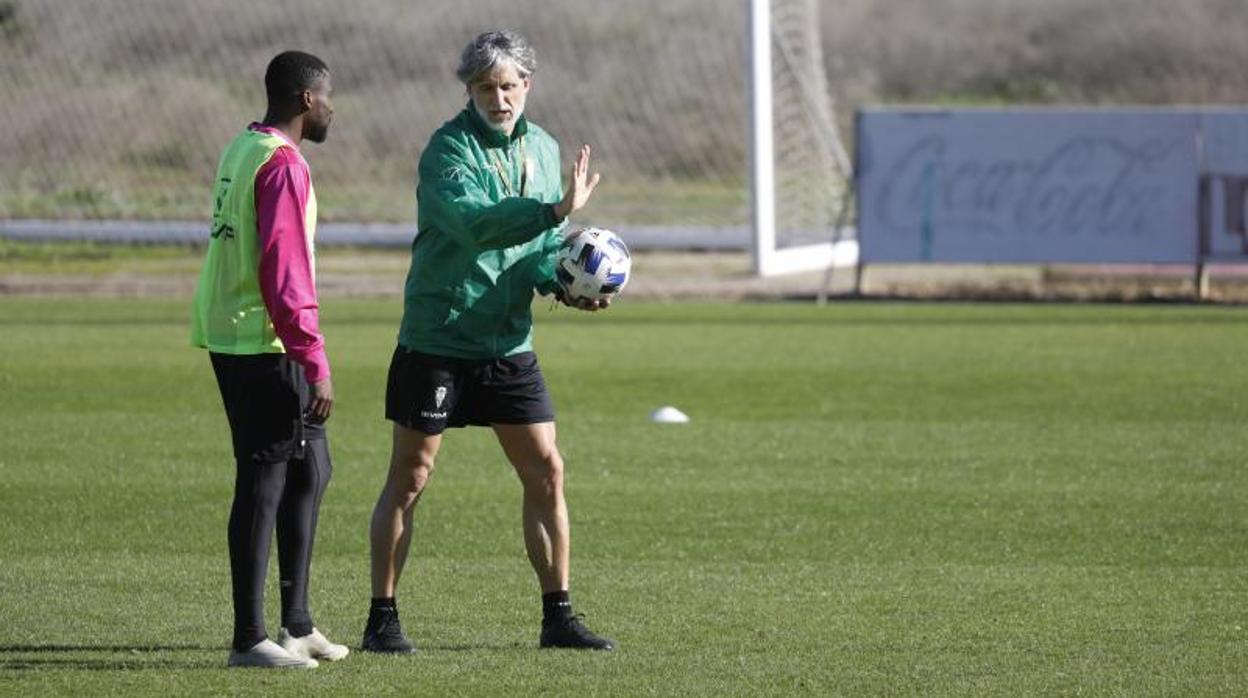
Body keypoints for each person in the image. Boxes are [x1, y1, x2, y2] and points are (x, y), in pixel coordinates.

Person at [361, 30, 615, 653]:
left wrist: (562, 282)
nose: (499, 98)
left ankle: (558, 617)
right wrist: (553, 214)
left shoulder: (545, 147)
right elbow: (474, 228)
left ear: (527, 84)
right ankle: (382, 619)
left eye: (509, 85)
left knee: (547, 472)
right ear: (468, 90)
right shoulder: (446, 151)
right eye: (485, 87)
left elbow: (533, 254)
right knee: (411, 475)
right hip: (439, 334)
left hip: (507, 343)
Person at [190, 50, 349, 669]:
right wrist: (314, 357)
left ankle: (297, 624)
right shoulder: (282, 166)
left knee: (312, 466)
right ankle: (248, 637)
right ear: (307, 99)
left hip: (242, 331)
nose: (334, 106)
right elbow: (284, 272)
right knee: (264, 477)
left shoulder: (243, 147)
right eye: (329, 95)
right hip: (262, 340)